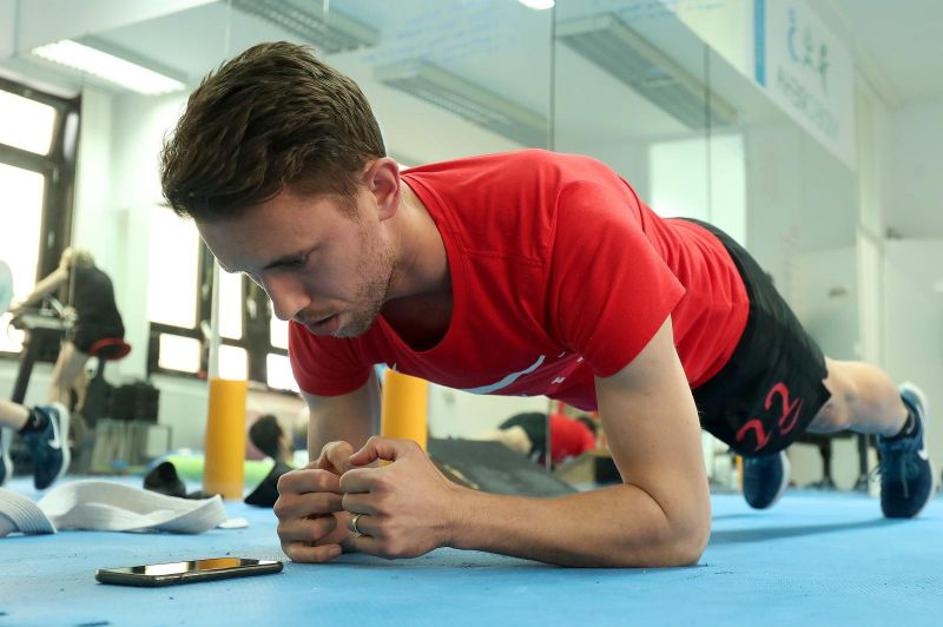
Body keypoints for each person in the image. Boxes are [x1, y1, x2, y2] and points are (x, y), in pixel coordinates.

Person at [158, 42, 933, 568]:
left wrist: (455, 511)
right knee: (713, 430)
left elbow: (677, 525)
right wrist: (327, 514)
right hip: (617, 363)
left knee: (825, 405)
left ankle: (901, 419)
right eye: (253, 275)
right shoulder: (327, 300)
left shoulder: (563, 223)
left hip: (714, 323)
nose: (284, 305)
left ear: (381, 190)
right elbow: (346, 490)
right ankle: (752, 441)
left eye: (294, 261)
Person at [9, 247, 125, 411]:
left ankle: (56, 424)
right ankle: (80, 415)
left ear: (70, 261)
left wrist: (18, 305)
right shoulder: (101, 276)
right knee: (76, 372)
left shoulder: (72, 270)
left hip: (90, 333)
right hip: (115, 332)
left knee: (59, 382)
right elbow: (95, 307)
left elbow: (40, 290)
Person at [1, 259, 70, 489]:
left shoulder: (69, 270)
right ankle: (35, 423)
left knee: (63, 380)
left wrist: (22, 302)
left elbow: (46, 287)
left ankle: (39, 424)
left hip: (90, 332)